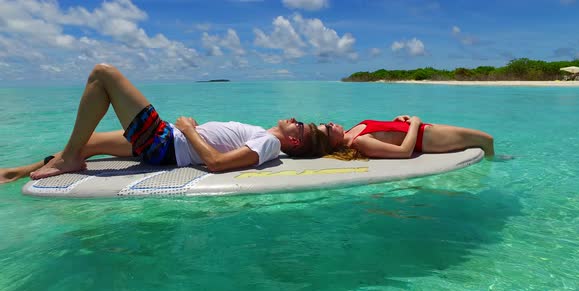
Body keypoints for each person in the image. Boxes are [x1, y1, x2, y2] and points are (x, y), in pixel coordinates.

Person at [0, 64, 327, 184]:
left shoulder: (269, 144)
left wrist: (186, 130)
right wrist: (196, 131)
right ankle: (17, 172)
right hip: (170, 140)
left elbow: (216, 164)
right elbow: (217, 148)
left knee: (104, 75)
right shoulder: (264, 136)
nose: (295, 120)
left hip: (165, 142)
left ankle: (68, 160)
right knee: (91, 142)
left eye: (300, 126)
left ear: (294, 142)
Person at [314, 115, 494, 160]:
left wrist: (397, 120)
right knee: (487, 140)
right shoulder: (359, 142)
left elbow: (385, 132)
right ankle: (492, 163)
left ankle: (492, 159)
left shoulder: (352, 131)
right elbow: (404, 151)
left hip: (424, 129)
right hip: (427, 138)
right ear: (332, 141)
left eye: (326, 122)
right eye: (328, 127)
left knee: (485, 140)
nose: (331, 122)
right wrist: (415, 123)